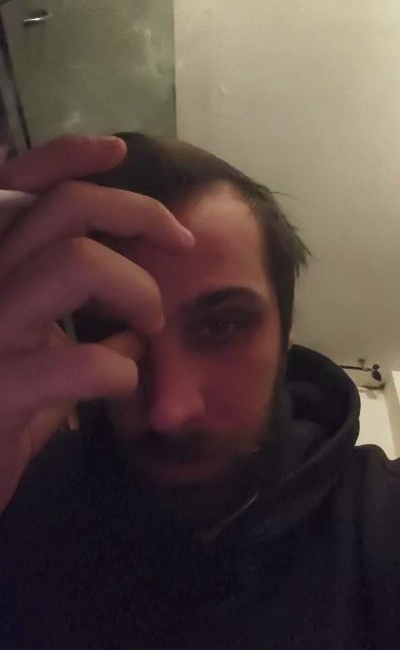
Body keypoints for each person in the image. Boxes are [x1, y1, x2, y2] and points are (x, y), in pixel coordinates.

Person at [0, 132, 398, 650]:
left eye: (222, 327)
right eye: (113, 333)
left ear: (287, 330)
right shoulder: (20, 507)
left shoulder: (381, 526)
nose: (169, 411)